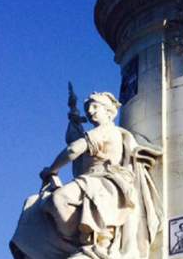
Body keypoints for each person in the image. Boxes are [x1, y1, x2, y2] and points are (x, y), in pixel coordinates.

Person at [10, 92, 162, 259]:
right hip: (91, 181)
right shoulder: (96, 132)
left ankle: (91, 241)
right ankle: (78, 242)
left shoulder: (106, 131)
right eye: (88, 107)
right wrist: (74, 117)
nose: (90, 110)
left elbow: (73, 149)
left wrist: (52, 170)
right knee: (34, 204)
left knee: (59, 198)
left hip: (105, 183)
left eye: (95, 106)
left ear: (109, 111)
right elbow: (74, 142)